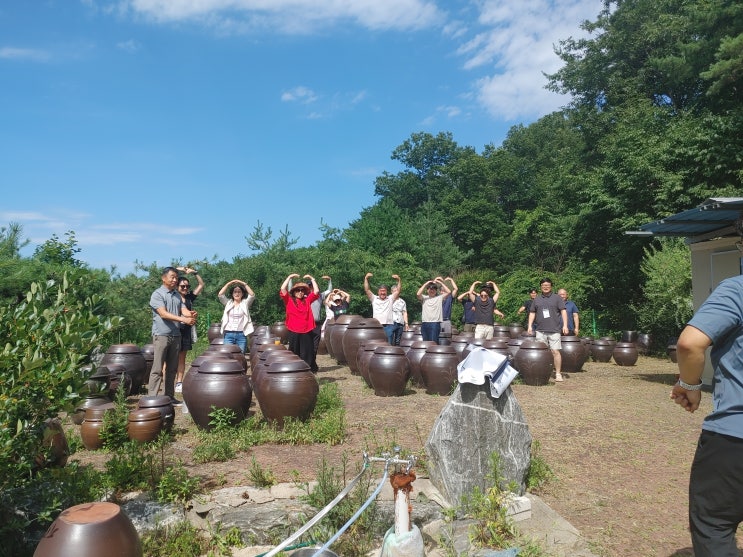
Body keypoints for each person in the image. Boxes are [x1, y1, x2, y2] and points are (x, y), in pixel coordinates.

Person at [671, 274, 743, 556]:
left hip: (734, 437)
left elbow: (690, 343)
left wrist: (690, 385)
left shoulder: (737, 289)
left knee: (714, 526)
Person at [147, 266, 196, 405]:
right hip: (161, 335)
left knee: (172, 369)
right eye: (172, 277)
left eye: (176, 277)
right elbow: (163, 314)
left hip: (176, 335)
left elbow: (184, 310)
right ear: (164, 278)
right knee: (157, 368)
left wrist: (190, 314)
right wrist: (183, 319)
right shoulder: (157, 294)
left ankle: (169, 397)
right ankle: (152, 399)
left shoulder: (177, 295)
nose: (175, 280)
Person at [527, 278, 568, 382]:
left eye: (547, 285)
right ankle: (543, 372)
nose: (546, 287)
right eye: (543, 285)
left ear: (551, 286)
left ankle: (558, 373)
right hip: (540, 330)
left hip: (554, 330)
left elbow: (563, 311)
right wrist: (529, 326)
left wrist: (565, 325)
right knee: (542, 352)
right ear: (541, 287)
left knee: (555, 351)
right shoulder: (537, 299)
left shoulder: (557, 298)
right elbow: (532, 312)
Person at [174, 267, 205, 393]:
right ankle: (165, 382)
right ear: (176, 286)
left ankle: (179, 382)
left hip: (186, 330)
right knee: (168, 359)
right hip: (174, 330)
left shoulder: (189, 298)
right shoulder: (172, 296)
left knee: (182, 358)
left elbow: (201, 284)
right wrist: (179, 269)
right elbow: (167, 275)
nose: (185, 288)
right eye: (182, 286)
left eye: (187, 286)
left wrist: (195, 272)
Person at [280, 273, 320, 368]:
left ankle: (307, 369)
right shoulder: (289, 300)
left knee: (307, 351)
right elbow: (282, 289)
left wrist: (312, 279)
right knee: (294, 352)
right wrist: (289, 277)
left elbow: (316, 291)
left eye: (302, 290)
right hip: (294, 331)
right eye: (298, 290)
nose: (300, 292)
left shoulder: (307, 300)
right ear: (294, 292)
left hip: (306, 330)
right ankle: (294, 369)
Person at [217, 278, 256, 354]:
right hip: (228, 334)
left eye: (239, 292)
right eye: (235, 292)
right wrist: (229, 283)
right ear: (232, 294)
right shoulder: (228, 303)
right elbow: (220, 295)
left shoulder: (245, 303)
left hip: (241, 334)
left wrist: (243, 283)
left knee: (241, 356)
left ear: (242, 294)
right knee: (228, 355)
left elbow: (252, 295)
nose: (237, 294)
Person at [364, 272, 402, 344]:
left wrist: (399, 280)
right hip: (376, 326)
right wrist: (366, 279)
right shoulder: (374, 298)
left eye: (384, 291)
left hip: (388, 326)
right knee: (376, 344)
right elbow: (367, 290)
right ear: (378, 292)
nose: (382, 293)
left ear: (387, 292)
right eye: (381, 291)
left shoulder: (390, 298)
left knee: (388, 344)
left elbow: (398, 291)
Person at [416, 277, 451, 344]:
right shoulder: (424, 298)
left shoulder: (439, 298)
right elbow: (418, 294)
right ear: (427, 290)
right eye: (430, 289)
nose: (432, 291)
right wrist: (426, 284)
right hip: (425, 323)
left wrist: (440, 283)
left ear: (436, 290)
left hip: (435, 323)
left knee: (433, 343)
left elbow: (449, 292)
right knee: (425, 343)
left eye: (434, 289)